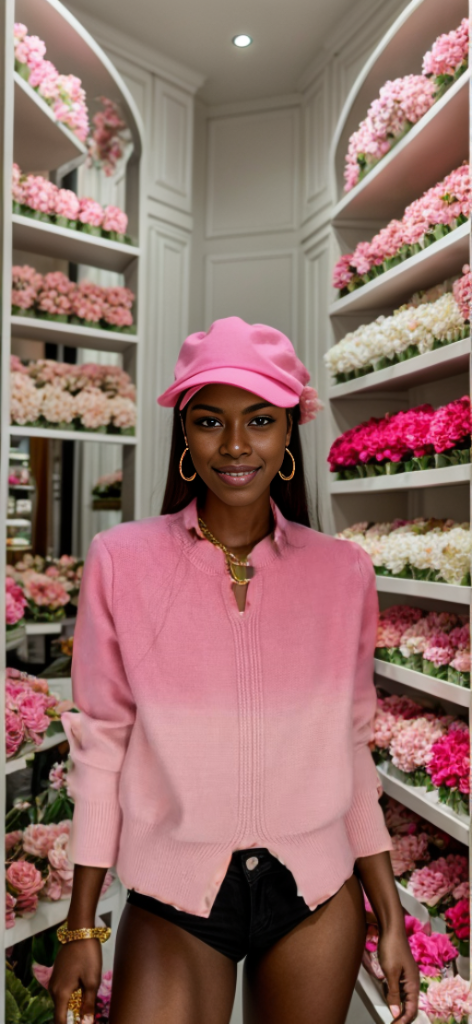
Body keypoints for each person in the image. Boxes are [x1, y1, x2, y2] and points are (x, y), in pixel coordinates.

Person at [50, 317, 419, 1024]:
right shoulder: (121, 561)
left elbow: (349, 749)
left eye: (260, 420)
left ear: (288, 435)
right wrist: (81, 924)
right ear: (186, 434)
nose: (237, 445)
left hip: (317, 895)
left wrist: (390, 912)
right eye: (212, 421)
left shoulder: (344, 573)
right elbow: (102, 746)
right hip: (175, 898)